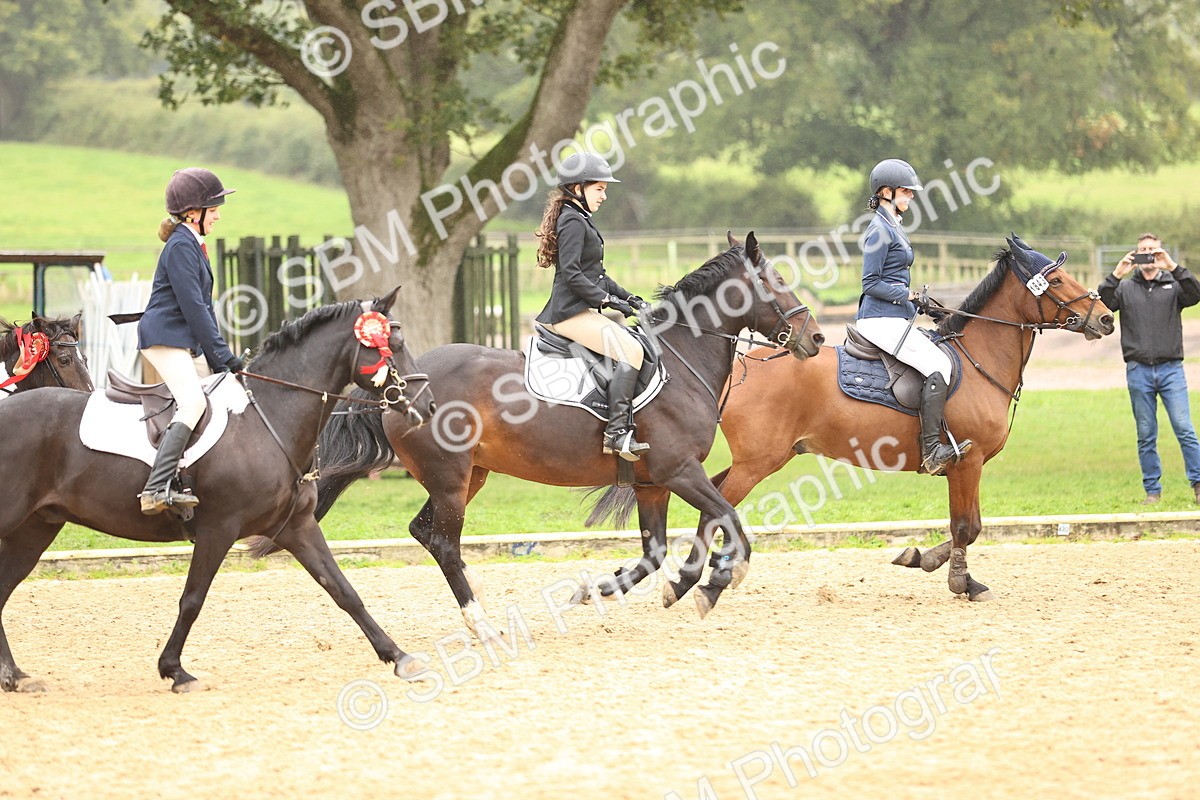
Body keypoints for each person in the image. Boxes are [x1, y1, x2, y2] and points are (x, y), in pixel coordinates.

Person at [135, 167, 244, 514]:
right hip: (165, 338)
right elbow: (195, 309)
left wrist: (221, 361)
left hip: (182, 339)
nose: (218, 215)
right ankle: (155, 487)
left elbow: (203, 310)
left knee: (221, 395)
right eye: (213, 209)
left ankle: (198, 480)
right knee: (194, 404)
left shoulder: (191, 244)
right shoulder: (182, 246)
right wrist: (225, 355)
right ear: (192, 213)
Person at [855, 158, 972, 476]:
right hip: (879, 320)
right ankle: (932, 451)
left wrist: (920, 303)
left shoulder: (893, 224)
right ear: (886, 192)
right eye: (906, 191)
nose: (911, 197)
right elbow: (871, 283)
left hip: (895, 318)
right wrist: (907, 295)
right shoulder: (878, 230)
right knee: (938, 365)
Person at [534, 152, 651, 462]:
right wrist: (607, 301)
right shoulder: (572, 220)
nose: (604, 195)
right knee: (632, 351)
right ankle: (616, 434)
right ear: (577, 188)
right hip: (567, 314)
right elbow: (572, 274)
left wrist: (630, 299)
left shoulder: (579, 217)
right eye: (599, 188)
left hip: (579, 310)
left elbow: (597, 275)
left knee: (633, 345)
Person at [1098, 233, 1200, 505]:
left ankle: (1198, 483)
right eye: (1142, 250)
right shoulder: (1125, 289)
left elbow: (1195, 293)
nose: (1147, 254)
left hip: (1171, 370)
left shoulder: (1174, 286)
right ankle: (1152, 491)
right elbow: (1103, 304)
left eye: (1152, 250)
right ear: (1135, 255)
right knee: (1146, 433)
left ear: (1160, 252)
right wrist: (1116, 274)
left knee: (1184, 428)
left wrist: (1173, 267)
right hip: (1138, 370)